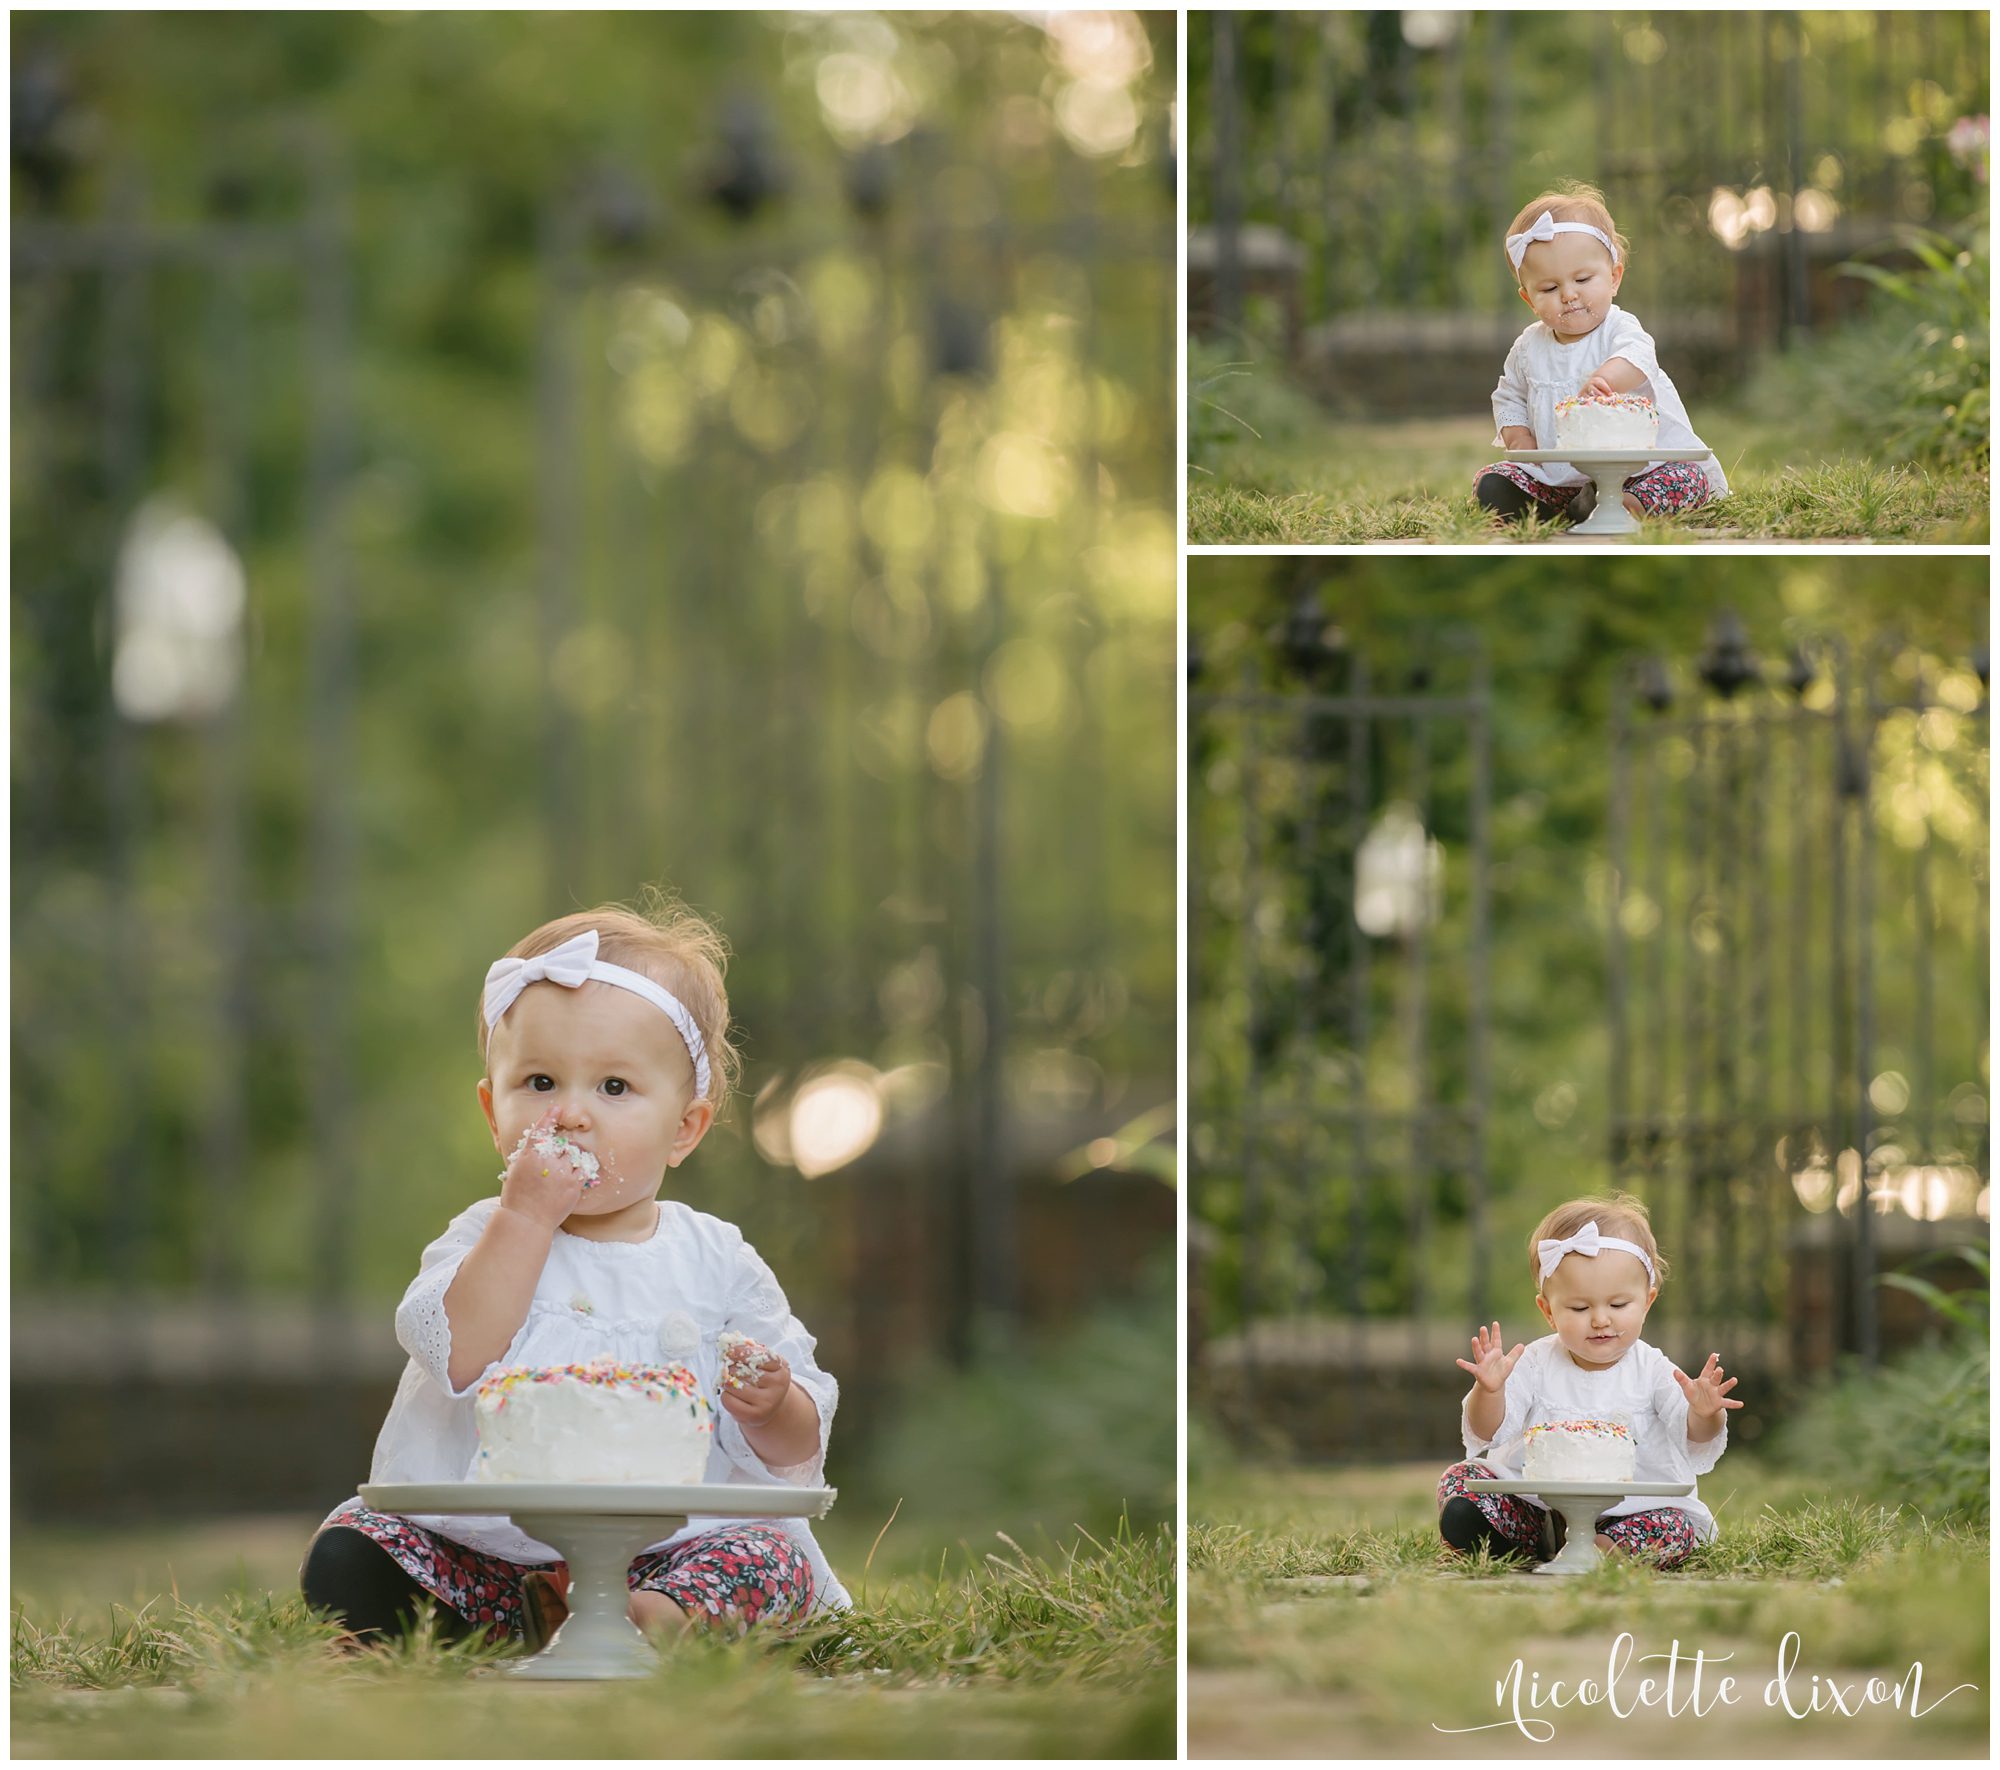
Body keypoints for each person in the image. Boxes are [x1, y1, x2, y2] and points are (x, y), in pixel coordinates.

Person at [300, 896, 845, 1647]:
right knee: (354, 1543)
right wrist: (525, 1220)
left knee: (769, 1556)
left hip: (672, 1547)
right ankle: (512, 1615)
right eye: (540, 1083)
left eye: (614, 1088)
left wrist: (772, 1406)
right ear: (493, 1113)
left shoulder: (716, 1260)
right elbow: (453, 1354)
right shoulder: (481, 1235)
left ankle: (655, 1615)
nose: (572, 1115)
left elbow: (795, 1447)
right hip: (495, 1544)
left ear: (684, 1128)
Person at [1437, 1193, 1742, 1569]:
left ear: (1647, 1302)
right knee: (1461, 1479)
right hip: (1539, 1508)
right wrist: (1490, 1390)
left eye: (1618, 1305)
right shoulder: (1535, 1362)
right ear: (1548, 1311)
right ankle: (1523, 1538)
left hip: (1630, 1511)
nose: (1600, 1319)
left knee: (1675, 1527)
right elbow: (1488, 1431)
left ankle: (1601, 1550)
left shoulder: (1653, 1369)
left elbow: (1693, 1436)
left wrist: (1705, 1413)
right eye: (1580, 1307)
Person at [1473, 184, 1728, 527]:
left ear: (1614, 278)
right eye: (1550, 288)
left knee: (1687, 478)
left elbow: (1638, 356)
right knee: (1492, 477)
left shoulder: (1619, 327)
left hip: (1641, 469)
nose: (1569, 295)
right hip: (1562, 475)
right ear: (1529, 299)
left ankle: (1625, 504)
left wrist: (1606, 379)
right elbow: (1509, 396)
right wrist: (1518, 436)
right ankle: (1562, 506)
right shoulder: (1528, 347)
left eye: (1582, 279)